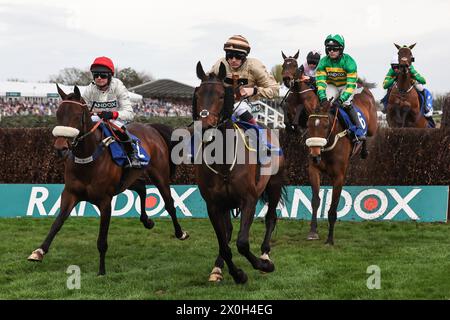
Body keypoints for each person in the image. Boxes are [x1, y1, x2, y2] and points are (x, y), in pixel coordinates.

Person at [82, 56, 141, 168]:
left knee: (120, 129)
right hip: (97, 118)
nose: (99, 78)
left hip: (115, 119)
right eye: (96, 75)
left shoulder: (118, 86)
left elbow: (129, 113)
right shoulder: (89, 89)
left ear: (110, 76)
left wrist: (113, 114)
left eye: (103, 75)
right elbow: (84, 110)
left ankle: (132, 155)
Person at [209, 35, 279, 125]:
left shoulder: (255, 66)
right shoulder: (219, 65)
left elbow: (275, 90)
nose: (233, 60)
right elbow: (206, 83)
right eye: (230, 56)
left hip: (249, 106)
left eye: (238, 56)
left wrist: (254, 91)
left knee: (239, 108)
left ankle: (259, 133)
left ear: (245, 56)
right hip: (224, 105)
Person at [315, 34, 365, 141]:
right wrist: (323, 98)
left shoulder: (349, 62)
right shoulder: (323, 62)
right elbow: (320, 83)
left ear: (341, 49)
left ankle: (359, 129)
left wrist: (341, 99)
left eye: (335, 49)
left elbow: (351, 85)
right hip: (332, 85)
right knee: (327, 104)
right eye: (329, 49)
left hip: (346, 85)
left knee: (345, 104)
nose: (331, 51)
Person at [381, 54, 433, 123]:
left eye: (397, 66)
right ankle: (385, 107)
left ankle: (427, 107)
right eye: (393, 67)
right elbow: (384, 85)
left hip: (410, 83)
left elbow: (423, 81)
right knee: (390, 88)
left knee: (421, 88)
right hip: (397, 84)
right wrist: (394, 78)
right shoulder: (391, 71)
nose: (395, 69)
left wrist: (413, 79)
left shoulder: (410, 68)